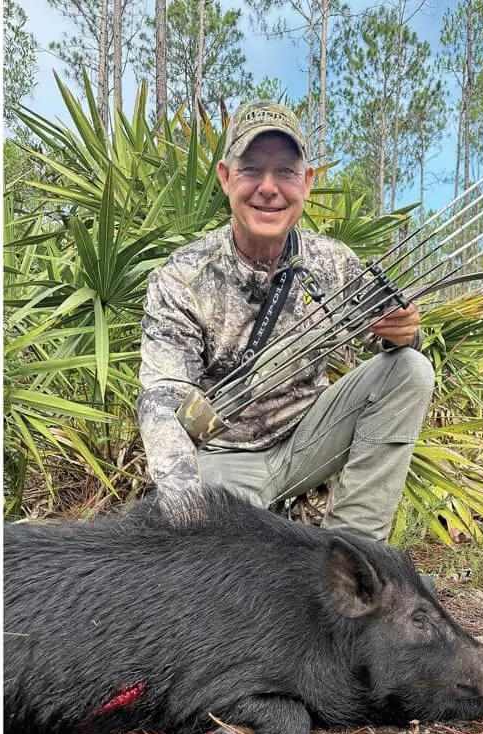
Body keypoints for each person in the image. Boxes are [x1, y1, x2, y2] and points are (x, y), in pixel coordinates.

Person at [137, 100, 434, 541]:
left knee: (411, 370)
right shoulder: (182, 276)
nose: (269, 188)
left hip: (308, 440)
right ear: (225, 177)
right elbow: (163, 397)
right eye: (251, 170)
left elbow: (395, 341)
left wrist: (405, 334)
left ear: (307, 182)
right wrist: (183, 503)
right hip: (225, 456)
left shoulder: (335, 262)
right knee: (218, 580)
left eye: (286, 172)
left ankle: (352, 552)